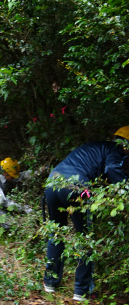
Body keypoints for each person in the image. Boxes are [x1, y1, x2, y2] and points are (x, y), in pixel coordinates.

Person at [43, 127, 129, 301]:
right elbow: (113, 169)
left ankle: (50, 283)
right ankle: (81, 291)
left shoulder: (95, 147)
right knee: (86, 238)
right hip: (76, 187)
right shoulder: (115, 151)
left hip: (53, 182)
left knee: (56, 233)